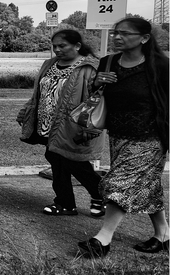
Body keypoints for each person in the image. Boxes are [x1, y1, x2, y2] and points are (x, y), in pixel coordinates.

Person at [78, 17, 170, 258]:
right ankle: (164, 235)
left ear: (144, 38)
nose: (117, 37)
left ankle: (103, 239)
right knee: (146, 185)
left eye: (124, 33)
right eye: (116, 32)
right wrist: (96, 82)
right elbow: (96, 96)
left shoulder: (160, 66)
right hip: (118, 134)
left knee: (117, 183)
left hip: (151, 137)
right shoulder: (108, 62)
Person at [17, 29, 105, 217]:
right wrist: (26, 111)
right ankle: (69, 203)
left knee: (71, 160)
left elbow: (95, 99)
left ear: (77, 46)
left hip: (72, 125)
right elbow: (39, 92)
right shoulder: (49, 64)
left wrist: (86, 127)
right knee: (57, 159)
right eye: (54, 46)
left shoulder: (89, 67)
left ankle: (97, 195)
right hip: (47, 122)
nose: (57, 49)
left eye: (62, 46)